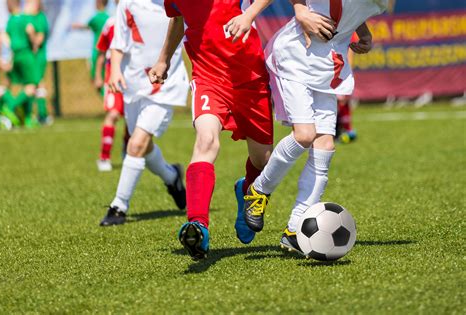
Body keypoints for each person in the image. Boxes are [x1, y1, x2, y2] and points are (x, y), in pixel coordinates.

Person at [242, 0, 387, 253]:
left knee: (325, 145)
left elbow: (349, 9)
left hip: (328, 66)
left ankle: (295, 230)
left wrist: (362, 31)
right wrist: (299, 10)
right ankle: (258, 191)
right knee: (305, 135)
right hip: (295, 58)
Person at [149, 0, 275, 260]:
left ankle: (247, 191)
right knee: (206, 142)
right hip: (208, 77)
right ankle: (198, 226)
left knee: (263, 160)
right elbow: (177, 20)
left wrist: (249, 14)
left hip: (250, 77)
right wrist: (163, 60)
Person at [99, 0, 189, 226]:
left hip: (165, 85)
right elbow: (118, 42)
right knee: (141, 146)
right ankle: (172, 177)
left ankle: (119, 206)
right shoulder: (127, 3)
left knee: (136, 144)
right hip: (134, 85)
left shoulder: (180, 3)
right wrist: (115, 71)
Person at [94, 14, 129, 172]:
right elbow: (101, 52)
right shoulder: (110, 23)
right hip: (113, 74)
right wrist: (97, 76)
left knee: (131, 118)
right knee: (113, 114)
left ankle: (127, 150)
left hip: (132, 75)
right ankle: (104, 156)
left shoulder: (136, 17)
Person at [1, 0, 41, 128]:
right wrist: (35, 44)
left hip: (15, 55)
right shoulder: (24, 18)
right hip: (25, 54)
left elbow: (6, 39)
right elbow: (30, 31)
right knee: (32, 86)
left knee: (24, 86)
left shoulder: (10, 20)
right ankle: (11, 106)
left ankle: (27, 118)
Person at [24, 0, 51, 125]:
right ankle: (33, 114)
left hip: (38, 57)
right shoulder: (29, 18)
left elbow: (38, 40)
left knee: (38, 83)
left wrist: (31, 35)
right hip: (31, 57)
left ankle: (42, 114)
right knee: (33, 83)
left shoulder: (40, 18)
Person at [72, 0, 109, 91]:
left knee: (97, 79)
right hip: (107, 51)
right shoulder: (108, 18)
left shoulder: (97, 18)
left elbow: (87, 26)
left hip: (98, 51)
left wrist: (76, 26)